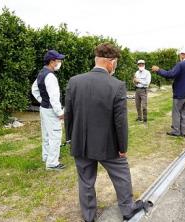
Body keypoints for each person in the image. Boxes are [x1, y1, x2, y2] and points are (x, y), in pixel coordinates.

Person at [64, 43, 147, 222]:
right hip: (108, 145)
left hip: (82, 143)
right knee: (121, 174)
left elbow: (68, 114)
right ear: (111, 62)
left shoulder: (74, 81)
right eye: (115, 63)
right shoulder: (116, 85)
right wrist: (122, 147)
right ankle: (127, 209)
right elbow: (120, 122)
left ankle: (89, 217)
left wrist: (70, 138)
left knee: (85, 181)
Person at [151, 48, 185, 137]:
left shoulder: (181, 64)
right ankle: (184, 132)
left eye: (180, 55)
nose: (179, 57)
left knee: (176, 112)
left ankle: (176, 131)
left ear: (182, 54)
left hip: (180, 94)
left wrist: (158, 70)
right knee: (184, 112)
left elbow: (170, 74)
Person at [32, 50, 66, 170]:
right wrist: (60, 112)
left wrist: (41, 100)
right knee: (55, 135)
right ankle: (52, 163)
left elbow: (34, 89)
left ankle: (46, 156)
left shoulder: (42, 73)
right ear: (52, 61)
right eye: (58, 60)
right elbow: (54, 97)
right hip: (51, 110)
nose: (60, 62)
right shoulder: (50, 76)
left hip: (44, 109)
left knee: (46, 134)